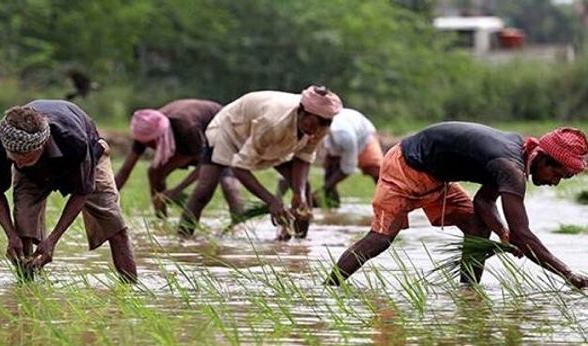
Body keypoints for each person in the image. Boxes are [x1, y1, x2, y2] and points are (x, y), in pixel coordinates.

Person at [325, 122, 588, 288]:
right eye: (558, 175)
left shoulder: (517, 156)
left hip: (436, 178)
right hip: (405, 166)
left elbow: (484, 201)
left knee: (477, 225)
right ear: (543, 158)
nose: (555, 183)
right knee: (380, 239)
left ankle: (467, 292)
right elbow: (524, 235)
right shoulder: (511, 168)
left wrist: (502, 233)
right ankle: (330, 287)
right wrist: (567, 274)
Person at [0, 100, 137, 282]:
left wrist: (53, 240)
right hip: (33, 174)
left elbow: (82, 192)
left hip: (88, 160)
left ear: (41, 146)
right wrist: (11, 235)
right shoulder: (4, 141)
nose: (18, 164)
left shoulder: (75, 141)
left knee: (114, 225)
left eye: (25, 158)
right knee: (23, 228)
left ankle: (130, 288)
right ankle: (27, 289)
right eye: (14, 159)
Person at [177, 86, 343, 238]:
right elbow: (239, 167)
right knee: (205, 189)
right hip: (231, 130)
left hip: (273, 141)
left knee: (303, 191)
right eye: (312, 124)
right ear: (301, 112)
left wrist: (298, 194)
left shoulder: (320, 126)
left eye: (322, 125)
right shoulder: (273, 122)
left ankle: (298, 244)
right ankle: (182, 238)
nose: (315, 131)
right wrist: (272, 201)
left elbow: (303, 158)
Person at [115, 99, 244, 218]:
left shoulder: (187, 128)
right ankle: (161, 218)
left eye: (152, 142)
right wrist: (104, 199)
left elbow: (204, 166)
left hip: (221, 131)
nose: (149, 146)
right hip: (187, 144)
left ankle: (239, 226)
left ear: (161, 135)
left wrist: (176, 190)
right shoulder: (145, 130)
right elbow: (125, 171)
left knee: (228, 185)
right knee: (155, 172)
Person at [318, 107, 382, 207]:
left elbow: (348, 168)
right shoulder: (318, 129)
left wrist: (322, 189)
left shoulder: (345, 136)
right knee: (329, 173)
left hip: (364, 138)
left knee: (376, 172)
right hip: (339, 141)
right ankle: (332, 205)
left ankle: (385, 203)